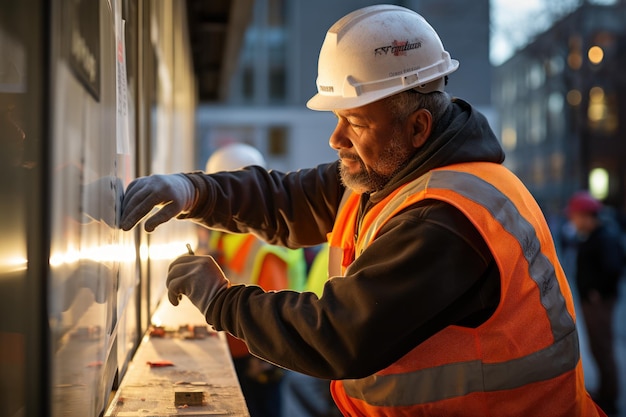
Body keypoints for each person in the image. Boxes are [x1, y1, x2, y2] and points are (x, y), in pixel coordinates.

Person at [120, 5, 606, 416]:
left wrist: (220, 301)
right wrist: (191, 191)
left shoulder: (445, 219)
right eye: (337, 118)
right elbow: (287, 200)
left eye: (354, 121)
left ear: (417, 128)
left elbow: (339, 333)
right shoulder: (387, 176)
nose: (336, 139)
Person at [200, 143, 307, 417]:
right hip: (234, 349)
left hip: (257, 357)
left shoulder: (264, 239)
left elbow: (275, 306)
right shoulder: (226, 231)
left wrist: (265, 360)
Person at [566, 191, 622, 415]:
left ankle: (611, 399)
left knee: (603, 348)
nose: (573, 221)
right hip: (592, 302)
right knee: (598, 348)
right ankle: (606, 392)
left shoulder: (603, 237)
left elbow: (614, 268)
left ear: (587, 216)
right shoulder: (591, 236)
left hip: (598, 304)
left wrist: (598, 291)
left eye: (576, 216)